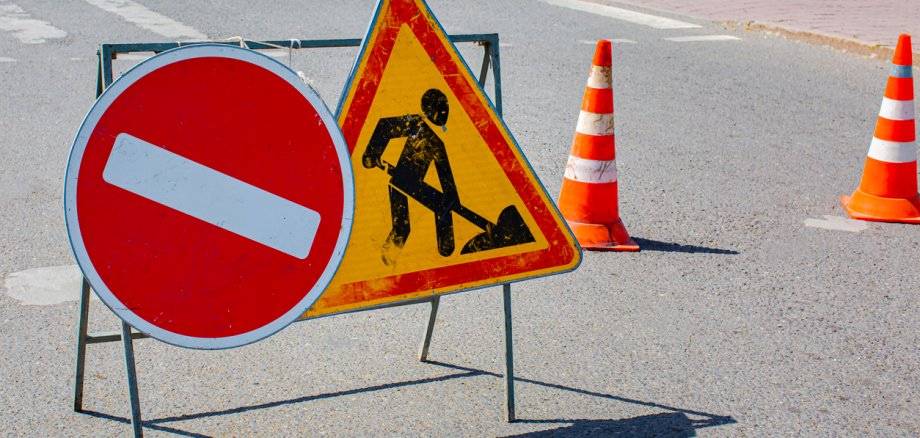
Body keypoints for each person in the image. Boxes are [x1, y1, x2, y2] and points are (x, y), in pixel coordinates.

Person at [362, 88, 459, 264]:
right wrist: (372, 154)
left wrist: (452, 198)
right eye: (442, 110)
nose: (445, 115)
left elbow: (445, 174)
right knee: (403, 227)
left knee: (434, 209)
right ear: (431, 109)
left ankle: (445, 249)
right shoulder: (415, 123)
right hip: (401, 180)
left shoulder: (437, 142)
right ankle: (388, 261)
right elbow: (385, 126)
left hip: (412, 184)